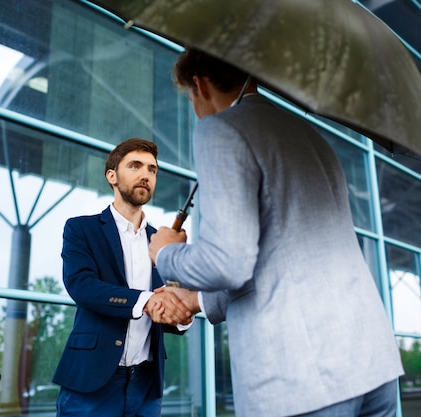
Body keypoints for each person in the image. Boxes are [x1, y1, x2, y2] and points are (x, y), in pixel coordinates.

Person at [148, 48, 404, 417]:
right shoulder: (310, 135)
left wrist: (166, 253)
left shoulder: (219, 130)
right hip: (371, 362)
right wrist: (194, 301)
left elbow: (228, 262)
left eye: (190, 96)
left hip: (303, 374)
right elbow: (281, 256)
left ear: (199, 86)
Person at [53, 137, 194, 417]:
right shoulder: (81, 229)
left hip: (146, 383)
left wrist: (182, 314)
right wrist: (146, 302)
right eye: (135, 166)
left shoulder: (162, 241)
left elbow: (173, 301)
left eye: (152, 170)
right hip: (93, 382)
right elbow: (82, 287)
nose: (145, 175)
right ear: (112, 176)